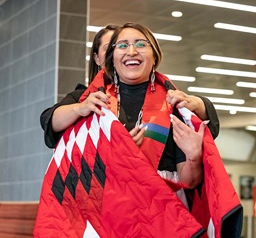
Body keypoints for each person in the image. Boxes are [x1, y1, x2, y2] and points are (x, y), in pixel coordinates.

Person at [34, 23, 242, 238]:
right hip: (105, 215)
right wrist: (85, 113)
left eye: (141, 44)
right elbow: (50, 122)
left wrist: (193, 155)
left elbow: (189, 181)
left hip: (162, 216)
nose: (132, 51)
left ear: (154, 56)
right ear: (111, 58)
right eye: (122, 45)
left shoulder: (173, 104)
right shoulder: (93, 100)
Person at [40, 25, 219, 149]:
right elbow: (49, 121)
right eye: (118, 46)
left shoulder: (162, 95)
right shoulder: (86, 97)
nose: (128, 51)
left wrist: (195, 103)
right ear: (98, 57)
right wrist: (81, 108)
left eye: (136, 44)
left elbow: (205, 121)